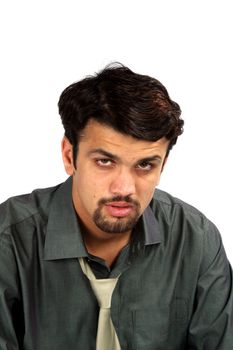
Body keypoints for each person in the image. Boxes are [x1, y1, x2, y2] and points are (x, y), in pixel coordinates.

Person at [0, 63, 232, 350]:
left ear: (163, 165)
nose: (124, 188)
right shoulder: (9, 241)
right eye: (105, 162)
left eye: (145, 165)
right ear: (69, 156)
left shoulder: (196, 240)